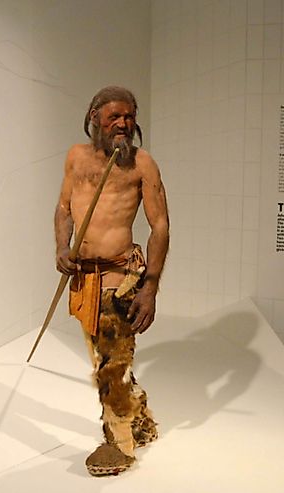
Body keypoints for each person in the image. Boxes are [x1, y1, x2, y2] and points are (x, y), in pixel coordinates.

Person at [54, 86, 170, 476]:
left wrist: (150, 287)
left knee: (109, 364)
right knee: (108, 357)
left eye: (129, 116)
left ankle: (119, 443)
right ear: (94, 118)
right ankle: (140, 420)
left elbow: (160, 227)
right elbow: (64, 208)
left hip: (121, 276)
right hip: (85, 277)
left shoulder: (142, 165)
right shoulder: (76, 157)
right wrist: (62, 248)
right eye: (114, 117)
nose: (123, 124)